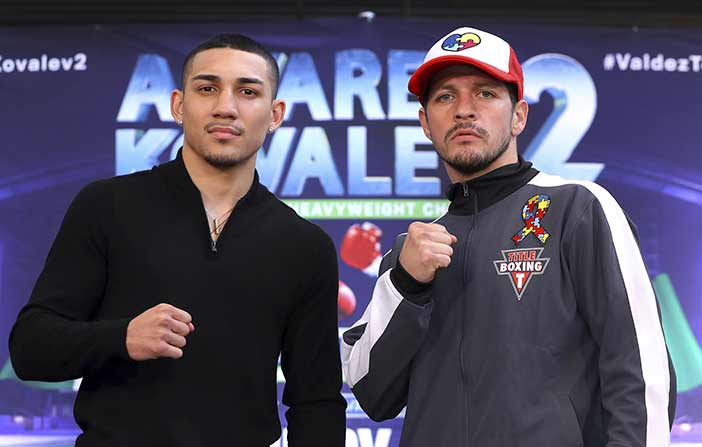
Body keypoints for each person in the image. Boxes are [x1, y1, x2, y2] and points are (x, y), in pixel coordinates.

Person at [342, 26, 676, 446]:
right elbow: (373, 394)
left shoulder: (578, 208)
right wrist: (406, 285)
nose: (464, 110)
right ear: (426, 123)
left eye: (484, 93)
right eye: (445, 96)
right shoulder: (409, 253)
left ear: (518, 115)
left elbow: (640, 371)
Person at [9, 34, 346, 446]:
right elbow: (30, 348)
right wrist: (121, 337)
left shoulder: (304, 245)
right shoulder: (107, 206)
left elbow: (317, 400)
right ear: (178, 106)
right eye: (207, 88)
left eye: (247, 91)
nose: (226, 106)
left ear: (275, 114)